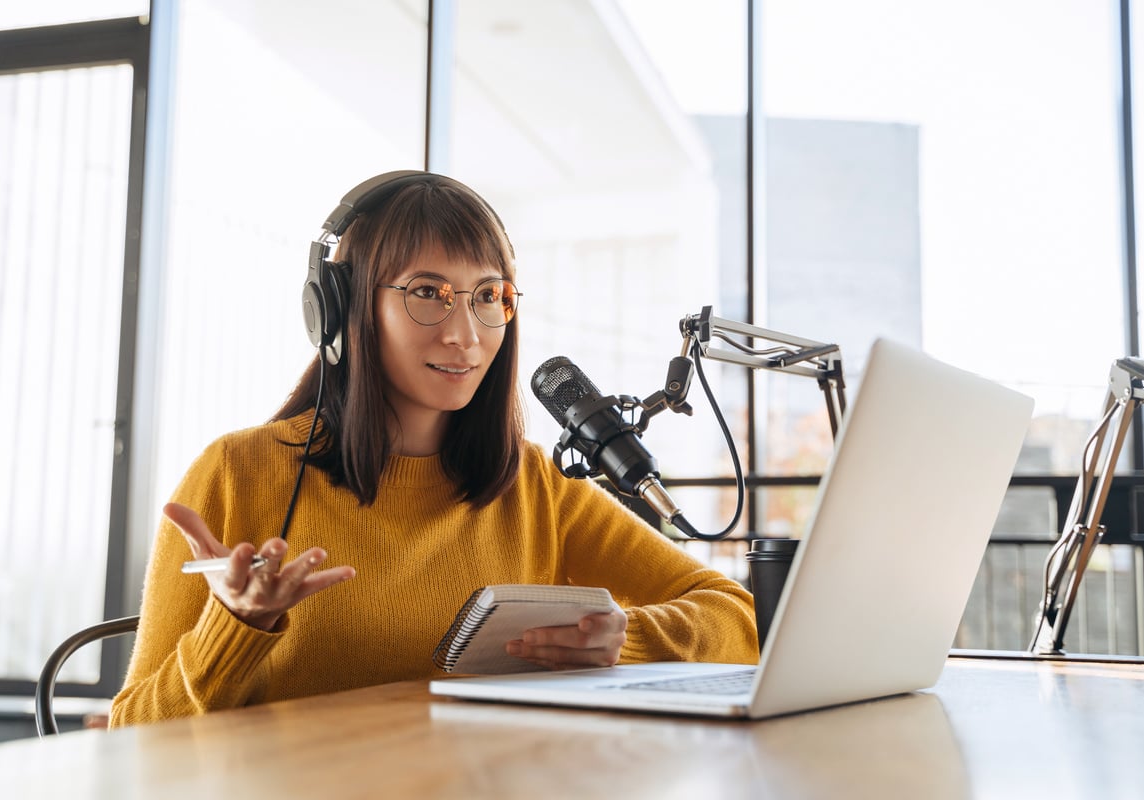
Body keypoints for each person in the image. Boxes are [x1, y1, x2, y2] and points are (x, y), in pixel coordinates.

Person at [109, 171, 758, 726]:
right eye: (427, 293)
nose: (465, 335)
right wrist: (237, 629)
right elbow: (129, 730)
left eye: (486, 297)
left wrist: (630, 638)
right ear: (341, 308)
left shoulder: (533, 482)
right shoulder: (239, 474)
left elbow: (739, 617)